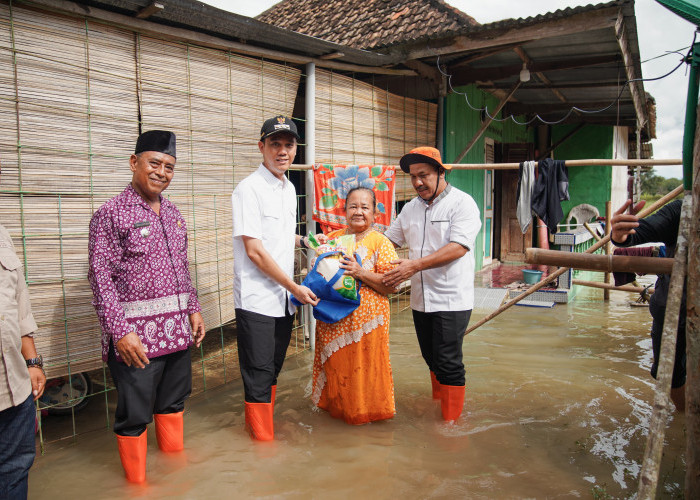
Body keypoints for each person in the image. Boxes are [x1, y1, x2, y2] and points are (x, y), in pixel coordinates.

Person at [88, 130, 206, 483]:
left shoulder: (173, 214)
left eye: (169, 166)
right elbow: (99, 277)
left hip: (176, 334)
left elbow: (181, 268)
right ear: (134, 162)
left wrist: (194, 308)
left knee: (173, 404)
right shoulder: (110, 214)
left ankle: (174, 475)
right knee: (134, 416)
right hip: (135, 343)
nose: (161, 172)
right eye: (154, 163)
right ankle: (138, 487)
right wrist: (120, 332)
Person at [231, 115, 318, 441]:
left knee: (272, 370)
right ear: (262, 147)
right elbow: (254, 250)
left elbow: (279, 236)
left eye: (289, 144)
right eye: (275, 144)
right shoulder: (248, 189)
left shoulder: (287, 187)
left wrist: (306, 241)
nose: (283, 151)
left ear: (296, 149)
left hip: (283, 299)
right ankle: (262, 447)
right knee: (258, 373)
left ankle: (258, 429)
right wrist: (294, 286)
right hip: (258, 299)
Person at [383, 147, 481, 422]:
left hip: (451, 298)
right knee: (430, 358)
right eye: (413, 177)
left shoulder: (462, 204)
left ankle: (450, 425)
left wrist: (413, 265)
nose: (417, 183)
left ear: (441, 172)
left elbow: (459, 247)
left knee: (449, 361)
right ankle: (439, 407)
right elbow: (389, 241)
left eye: (423, 175)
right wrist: (355, 245)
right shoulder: (410, 209)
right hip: (420, 299)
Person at [310, 187, 399, 425]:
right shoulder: (333, 240)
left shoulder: (381, 242)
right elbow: (318, 278)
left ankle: (364, 415)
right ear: (344, 210)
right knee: (338, 369)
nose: (358, 212)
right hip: (333, 323)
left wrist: (360, 272)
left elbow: (391, 287)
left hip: (368, 326)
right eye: (353, 206)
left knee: (365, 371)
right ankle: (339, 415)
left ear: (375, 213)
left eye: (364, 207)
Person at [611, 198, 685, 412]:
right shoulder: (682, 210)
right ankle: (684, 415)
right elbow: (638, 233)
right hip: (675, 307)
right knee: (669, 373)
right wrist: (620, 235)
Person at [0, 217, 46, 499]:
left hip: (14, 387)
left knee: (16, 470)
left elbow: (18, 302)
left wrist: (32, 362)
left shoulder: (1, 233)